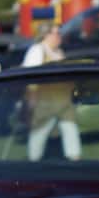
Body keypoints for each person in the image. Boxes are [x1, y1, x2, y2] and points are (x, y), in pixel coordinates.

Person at [20, 26, 80, 161]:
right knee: (38, 136)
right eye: (55, 33)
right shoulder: (37, 50)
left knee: (71, 132)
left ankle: (75, 164)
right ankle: (32, 164)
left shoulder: (59, 52)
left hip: (64, 102)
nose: (59, 36)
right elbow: (30, 79)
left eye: (59, 33)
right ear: (45, 35)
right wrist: (31, 101)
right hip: (44, 102)